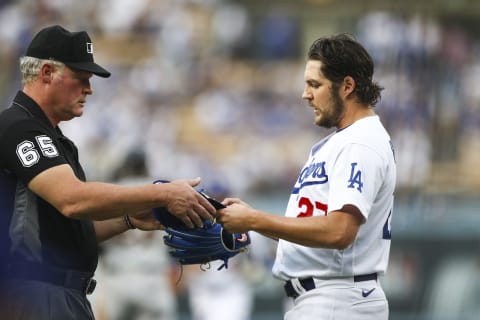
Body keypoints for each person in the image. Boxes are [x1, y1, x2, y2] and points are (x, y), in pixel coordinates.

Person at [0, 25, 216, 320]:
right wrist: (162, 193)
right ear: (47, 73)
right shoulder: (19, 127)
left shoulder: (53, 138)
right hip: (34, 294)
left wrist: (129, 218)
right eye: (80, 79)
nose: (89, 89)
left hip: (58, 293)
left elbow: (69, 227)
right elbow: (72, 200)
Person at [217, 33, 396, 320]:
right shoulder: (344, 141)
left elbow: (339, 232)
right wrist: (253, 221)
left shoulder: (360, 143)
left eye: (315, 84)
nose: (305, 94)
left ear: (347, 86)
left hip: (337, 300)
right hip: (325, 298)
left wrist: (254, 220)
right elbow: (315, 229)